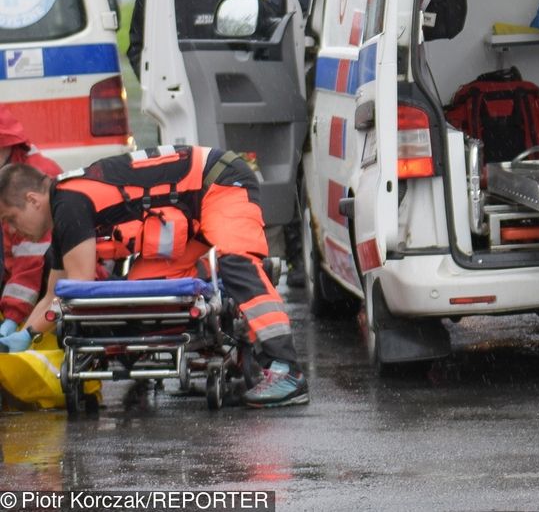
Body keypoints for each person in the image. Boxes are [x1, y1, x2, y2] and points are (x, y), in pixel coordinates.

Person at [0, 146, 309, 408]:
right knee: (145, 296)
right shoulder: (65, 206)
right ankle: (234, 315)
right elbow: (53, 294)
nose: (13, 230)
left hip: (218, 181)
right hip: (188, 210)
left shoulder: (68, 202)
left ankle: (287, 371)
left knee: (236, 262)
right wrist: (20, 335)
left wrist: (29, 335)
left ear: (32, 200)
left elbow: (77, 290)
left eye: (10, 219)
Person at [0, 107, 60, 339]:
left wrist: (13, 319)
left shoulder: (27, 183)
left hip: (52, 284)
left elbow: (31, 257)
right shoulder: (15, 174)